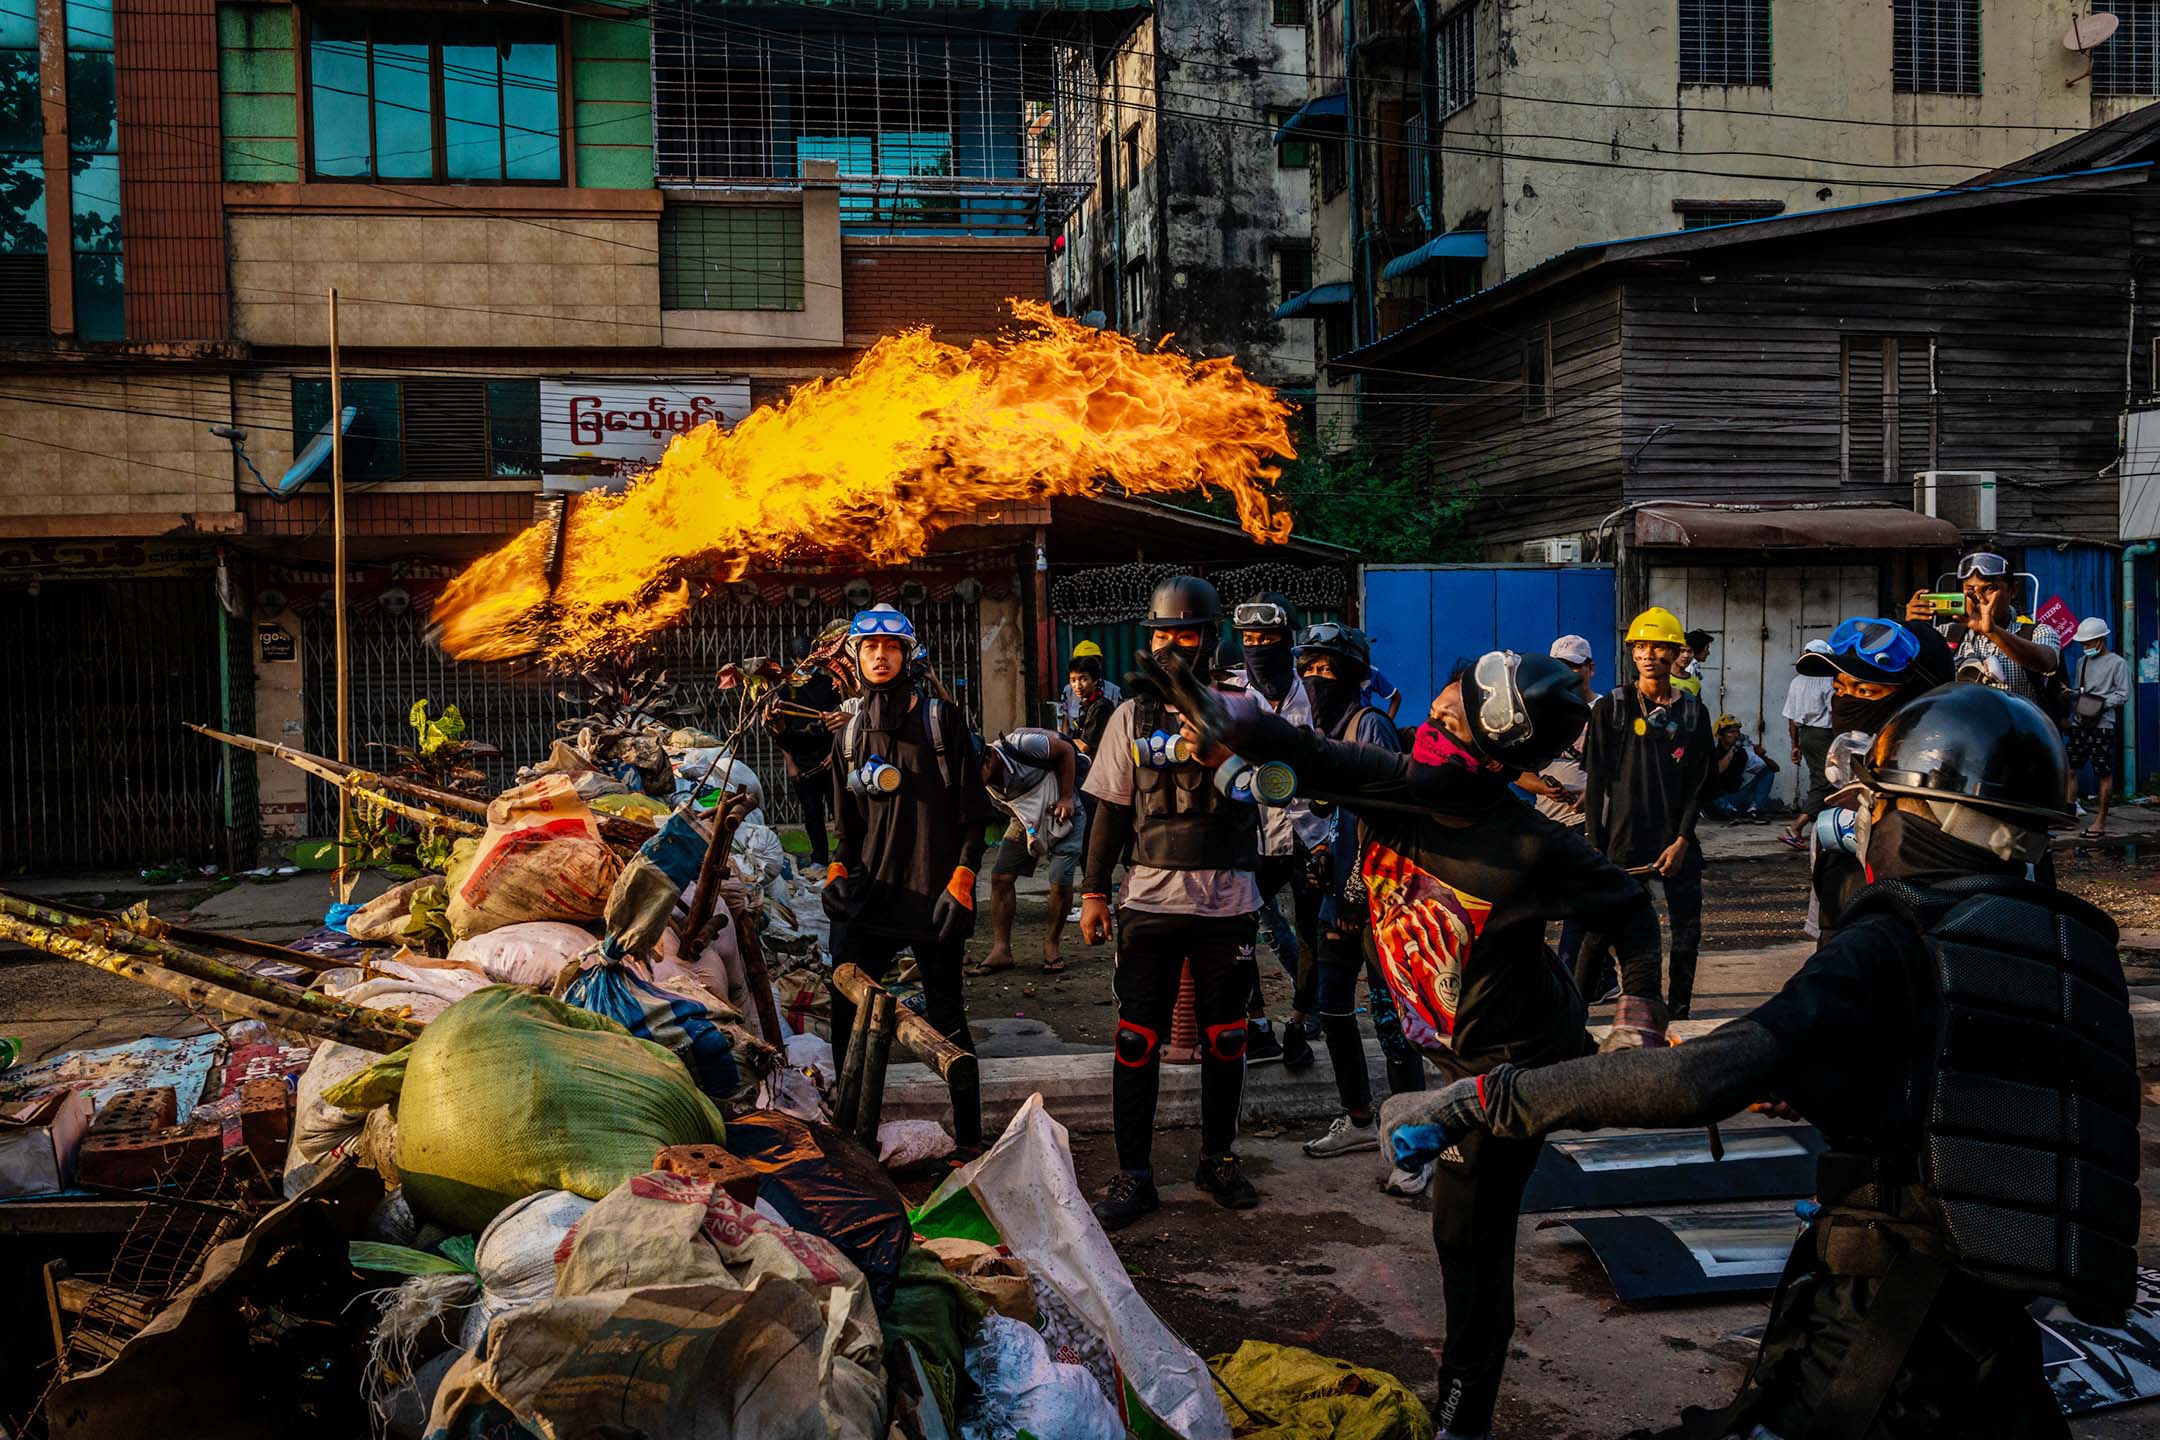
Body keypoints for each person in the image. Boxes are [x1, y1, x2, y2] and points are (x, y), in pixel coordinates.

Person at [1386, 683, 2138, 1440]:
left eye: (1875, 804)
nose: (1861, 822)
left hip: (1885, 1340)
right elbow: (1971, 1100)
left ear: (1920, 815)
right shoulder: (2065, 947)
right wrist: (1826, 1085)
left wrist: (1483, 1099)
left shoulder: (1893, 942)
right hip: (1999, 1348)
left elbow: (1694, 1080)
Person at [1141, 644, 1667, 1440]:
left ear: (1490, 753)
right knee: (1454, 1219)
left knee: (1468, 1240)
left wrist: (1639, 1017)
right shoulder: (1398, 790)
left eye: (1450, 719)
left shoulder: (1529, 844)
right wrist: (1243, 725)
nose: (1427, 727)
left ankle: (1465, 1420)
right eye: (1437, 707)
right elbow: (1314, 754)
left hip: (1515, 1064)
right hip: (1453, 1048)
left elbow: (1630, 905)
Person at [1079, 575, 1264, 1227]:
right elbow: (1108, 810)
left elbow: (1273, 788)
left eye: (1184, 633)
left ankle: (1217, 1159)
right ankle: (1134, 1175)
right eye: (1160, 634)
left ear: (1210, 639)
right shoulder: (1131, 715)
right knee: (1135, 1039)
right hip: (1150, 903)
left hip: (1227, 901)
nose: (1170, 646)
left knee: (1226, 1037)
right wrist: (1094, 892)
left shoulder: (1245, 708)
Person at [823, 603, 996, 1153]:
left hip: (935, 898)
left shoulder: (942, 722)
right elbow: (847, 831)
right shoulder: (847, 737)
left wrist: (964, 878)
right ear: (855, 657)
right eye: (869, 646)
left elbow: (976, 816)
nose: (880, 655)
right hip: (869, 902)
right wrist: (834, 871)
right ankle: (849, 1138)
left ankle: (969, 1140)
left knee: (948, 1018)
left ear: (907, 654)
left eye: (890, 646)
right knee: (844, 1017)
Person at [1286, 622, 1429, 1166]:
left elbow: (1385, 820)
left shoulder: (1369, 725)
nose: (1317, 677)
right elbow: (1334, 812)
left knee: (1391, 1015)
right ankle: (1361, 1118)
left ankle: (1411, 1129)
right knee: (1334, 1006)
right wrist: (1323, 853)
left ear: (1353, 675)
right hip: (1339, 892)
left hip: (1379, 899)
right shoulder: (1328, 728)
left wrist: (1352, 893)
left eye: (1329, 669)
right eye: (1311, 668)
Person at [1582, 605, 1713, 1017]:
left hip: (1676, 842)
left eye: (1659, 647)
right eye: (1640, 646)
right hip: (1623, 841)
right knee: (1600, 933)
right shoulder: (1614, 707)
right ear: (1631, 652)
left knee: (1686, 933)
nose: (1648, 654)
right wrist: (1595, 845)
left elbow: (1698, 787)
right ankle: (1573, 1012)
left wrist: (1681, 840)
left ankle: (1679, 1012)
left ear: (1676, 653)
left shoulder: (1693, 711)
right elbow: (1595, 783)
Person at [1796, 617, 1953, 942]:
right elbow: (1829, 937)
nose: (1846, 701)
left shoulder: (1959, 812)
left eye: (1865, 690)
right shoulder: (1835, 824)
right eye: (1840, 689)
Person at [1232, 591, 1329, 1068]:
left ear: (1287, 641)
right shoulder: (1234, 697)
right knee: (1240, 928)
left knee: (1313, 934)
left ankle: (1299, 1023)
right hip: (1257, 838)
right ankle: (1257, 1023)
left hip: (1314, 834)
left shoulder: (1316, 691)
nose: (1257, 647)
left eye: (1267, 639)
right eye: (1249, 639)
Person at [967, 726, 1085, 975]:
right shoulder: (977, 783)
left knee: (1060, 880)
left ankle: (1051, 944)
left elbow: (1065, 751)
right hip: (1025, 819)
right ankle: (1001, 950)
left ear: (989, 757)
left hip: (1064, 809)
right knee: (1000, 878)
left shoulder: (1023, 744)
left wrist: (1065, 797)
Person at [1904, 550, 2061, 700]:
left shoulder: (2037, 632)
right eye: (1970, 589)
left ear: (2013, 590)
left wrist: (1992, 632)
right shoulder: (1944, 634)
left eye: (1989, 588)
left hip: (2017, 727)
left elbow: (2046, 662)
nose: (1979, 597)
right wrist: (1910, 632)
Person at [768, 635, 845, 867]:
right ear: (794, 659)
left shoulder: (828, 684)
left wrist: (836, 753)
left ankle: (842, 859)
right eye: (802, 658)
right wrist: (790, 764)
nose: (807, 663)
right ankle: (819, 859)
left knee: (839, 814)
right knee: (812, 814)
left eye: (810, 658)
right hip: (803, 762)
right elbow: (781, 732)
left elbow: (841, 720)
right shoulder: (785, 689)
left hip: (830, 759)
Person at [2067, 616, 2131, 836]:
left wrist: (2101, 705)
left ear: (2101, 640)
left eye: (2088, 643)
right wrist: (2071, 695)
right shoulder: (2081, 662)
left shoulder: (2118, 663)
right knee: (2070, 768)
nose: (2084, 647)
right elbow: (2079, 691)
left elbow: (2123, 694)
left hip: (2102, 725)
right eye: (2082, 643)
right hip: (2080, 722)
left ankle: (2101, 822)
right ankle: (2068, 815)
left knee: (2103, 774)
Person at [1778, 655, 1836, 851]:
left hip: (1805, 734)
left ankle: (1822, 829)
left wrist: (1795, 745)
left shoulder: (1796, 681)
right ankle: (1797, 827)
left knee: (1818, 778)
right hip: (1823, 734)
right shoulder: (1828, 681)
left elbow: (1791, 717)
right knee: (1826, 780)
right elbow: (1834, 711)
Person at [1704, 714, 1778, 820]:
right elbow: (1717, 770)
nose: (1735, 735)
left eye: (1737, 732)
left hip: (1735, 797)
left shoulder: (1742, 753)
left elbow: (1775, 769)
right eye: (1731, 732)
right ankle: (1729, 811)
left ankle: (1753, 811)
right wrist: (1732, 750)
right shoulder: (1712, 752)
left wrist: (1762, 756)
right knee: (1706, 782)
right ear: (1720, 735)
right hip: (1716, 802)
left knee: (1767, 772)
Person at [1057, 640, 1122, 737]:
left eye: (1094, 662)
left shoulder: (1114, 691)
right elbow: (1064, 721)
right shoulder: (1068, 691)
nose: (1078, 685)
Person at [1063, 651, 1115, 758]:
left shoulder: (1101, 707)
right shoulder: (1086, 704)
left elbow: (1084, 746)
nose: (1078, 686)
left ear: (1095, 680)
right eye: (1073, 680)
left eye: (1083, 679)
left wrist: (1060, 742)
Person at [1671, 627, 1713, 700]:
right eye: (1682, 651)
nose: (1686, 655)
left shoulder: (1694, 683)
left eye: (1690, 651)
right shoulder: (1662, 678)